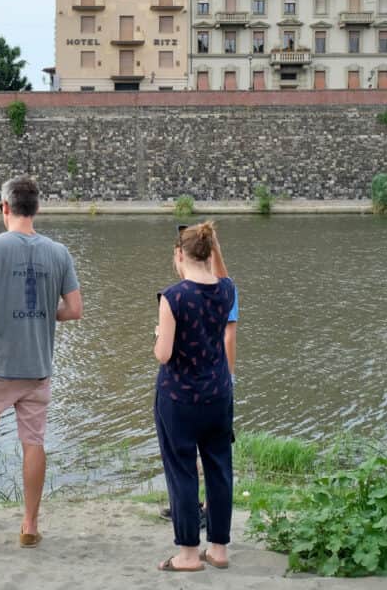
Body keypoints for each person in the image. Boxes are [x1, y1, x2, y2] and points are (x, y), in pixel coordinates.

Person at [0, 176, 82, 548]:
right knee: (33, 442)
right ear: (36, 209)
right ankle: (29, 526)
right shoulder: (59, 253)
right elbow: (74, 310)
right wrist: (42, 313)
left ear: (5, 208)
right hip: (38, 367)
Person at [152, 222, 237, 572]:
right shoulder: (228, 290)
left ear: (179, 254)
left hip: (180, 399)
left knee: (183, 472)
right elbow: (221, 274)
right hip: (218, 394)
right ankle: (218, 549)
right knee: (219, 470)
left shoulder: (173, 297)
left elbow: (164, 354)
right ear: (210, 251)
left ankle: (187, 554)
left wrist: (158, 334)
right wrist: (215, 245)